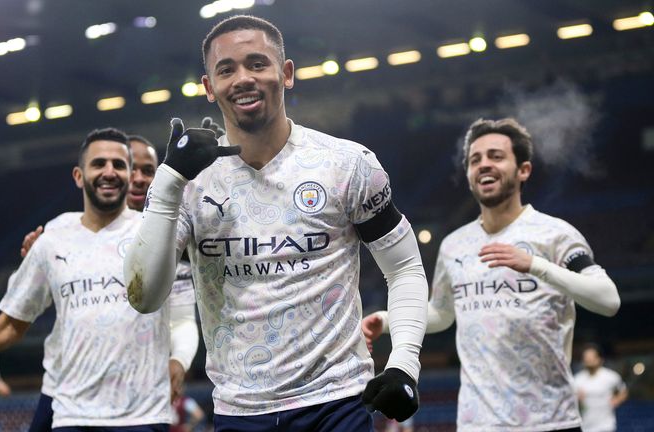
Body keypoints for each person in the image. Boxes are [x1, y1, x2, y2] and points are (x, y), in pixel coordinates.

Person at [124, 15, 428, 431]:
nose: (243, 78)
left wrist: (404, 364)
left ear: (285, 74)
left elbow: (405, 269)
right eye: (226, 69)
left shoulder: (348, 164)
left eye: (257, 63)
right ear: (208, 87)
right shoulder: (187, 185)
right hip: (239, 412)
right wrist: (169, 179)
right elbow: (144, 296)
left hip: (336, 403)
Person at [0, 127, 199, 431]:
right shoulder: (53, 238)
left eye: (118, 165)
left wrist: (179, 360)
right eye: (98, 163)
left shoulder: (159, 234)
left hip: (141, 415)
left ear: (129, 177)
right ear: (79, 176)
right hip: (70, 411)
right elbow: (12, 322)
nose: (109, 172)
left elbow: (183, 317)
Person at [362, 117, 621, 431]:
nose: (484, 164)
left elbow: (608, 300)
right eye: (475, 159)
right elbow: (443, 314)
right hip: (477, 423)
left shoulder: (556, 235)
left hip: (550, 422)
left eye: (496, 156)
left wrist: (535, 265)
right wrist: (388, 320)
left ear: (523, 170)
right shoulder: (454, 245)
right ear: (470, 175)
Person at [19, 131, 203, 432]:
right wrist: (33, 264)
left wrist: (179, 360)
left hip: (135, 404)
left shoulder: (172, 238)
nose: (140, 178)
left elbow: (182, 317)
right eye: (134, 169)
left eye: (148, 171)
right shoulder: (62, 230)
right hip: (63, 392)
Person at [574, 344, 628, 432]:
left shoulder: (611, 376)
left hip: (606, 426)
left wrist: (617, 400)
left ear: (600, 359)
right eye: (586, 357)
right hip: (586, 427)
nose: (588, 360)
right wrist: (577, 398)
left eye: (591, 357)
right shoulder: (577, 379)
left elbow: (623, 391)